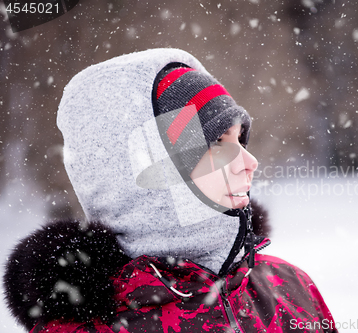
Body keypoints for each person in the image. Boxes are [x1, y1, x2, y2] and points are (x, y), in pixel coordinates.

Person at [3, 48, 338, 333]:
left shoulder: (292, 289)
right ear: (141, 167)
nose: (248, 161)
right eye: (218, 142)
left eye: (240, 138)